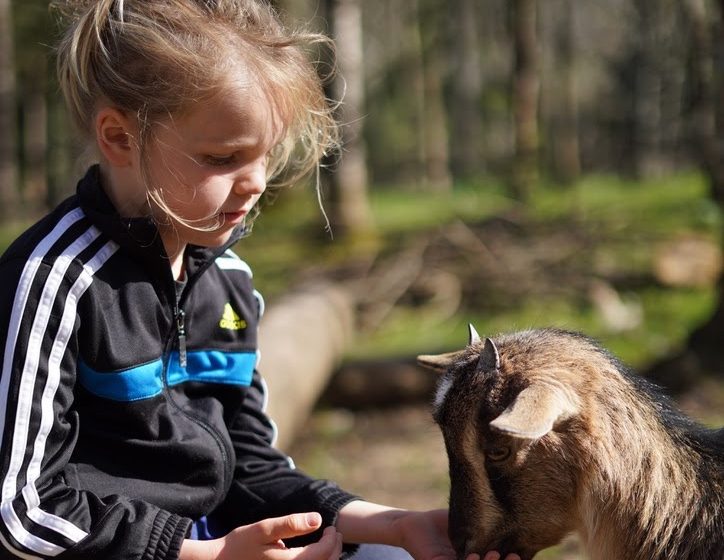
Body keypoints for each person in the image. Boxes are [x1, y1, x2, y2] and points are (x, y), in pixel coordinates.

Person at [0, 1, 520, 560]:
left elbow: (247, 465)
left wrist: (395, 524)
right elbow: (22, 512)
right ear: (121, 138)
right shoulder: (55, 281)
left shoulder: (226, 278)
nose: (255, 183)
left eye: (266, 155)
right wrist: (210, 556)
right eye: (223, 157)